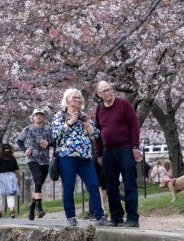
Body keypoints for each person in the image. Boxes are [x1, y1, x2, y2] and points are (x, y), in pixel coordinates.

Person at [52, 88, 112, 227]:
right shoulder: (60, 116)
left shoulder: (84, 116)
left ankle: (100, 217)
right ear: (67, 100)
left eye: (79, 98)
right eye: (74, 98)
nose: (78, 100)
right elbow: (55, 135)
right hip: (67, 157)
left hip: (85, 158)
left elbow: (96, 134)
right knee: (69, 187)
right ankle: (71, 217)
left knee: (93, 185)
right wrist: (70, 122)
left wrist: (86, 124)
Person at [94, 80, 141, 227]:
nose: (107, 93)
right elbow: (97, 132)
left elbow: (134, 125)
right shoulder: (99, 109)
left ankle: (132, 219)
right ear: (99, 94)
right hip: (108, 152)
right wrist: (99, 154)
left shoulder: (124, 104)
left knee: (129, 184)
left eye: (109, 89)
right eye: (103, 91)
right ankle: (116, 218)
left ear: (113, 89)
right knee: (110, 186)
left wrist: (135, 147)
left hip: (125, 149)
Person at [17, 108, 53, 220]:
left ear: (43, 117)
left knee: (38, 185)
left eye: (41, 115)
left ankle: (32, 206)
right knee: (37, 180)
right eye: (36, 115)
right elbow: (19, 141)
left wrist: (48, 143)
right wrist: (25, 150)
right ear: (33, 117)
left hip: (45, 160)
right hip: (32, 159)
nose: (39, 117)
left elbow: (55, 141)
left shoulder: (48, 129)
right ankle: (40, 208)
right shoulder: (27, 129)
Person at [0, 144, 21, 218]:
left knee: (1, 195)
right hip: (12, 177)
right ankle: (11, 211)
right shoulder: (13, 158)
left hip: (2, 177)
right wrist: (19, 179)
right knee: (10, 194)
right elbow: (17, 170)